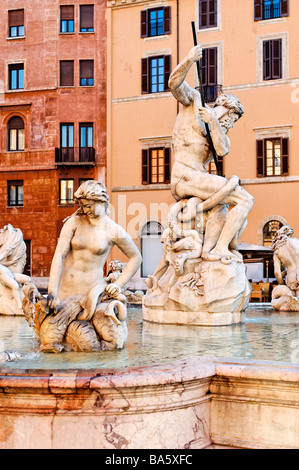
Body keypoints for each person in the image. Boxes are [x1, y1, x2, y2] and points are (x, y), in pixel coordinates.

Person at [168, 45, 254, 263]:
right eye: (233, 119)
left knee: (222, 208)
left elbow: (222, 149)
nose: (232, 125)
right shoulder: (194, 103)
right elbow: (174, 84)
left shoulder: (218, 130)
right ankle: (221, 248)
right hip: (184, 176)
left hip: (197, 180)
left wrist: (214, 122)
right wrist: (189, 60)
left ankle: (210, 250)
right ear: (228, 110)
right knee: (245, 199)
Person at [47, 180, 142, 310]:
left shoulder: (113, 230)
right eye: (83, 206)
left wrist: (118, 285)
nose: (86, 210)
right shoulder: (74, 222)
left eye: (89, 205)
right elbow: (59, 256)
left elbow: (136, 257)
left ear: (101, 201)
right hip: (65, 291)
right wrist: (52, 291)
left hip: (93, 294)